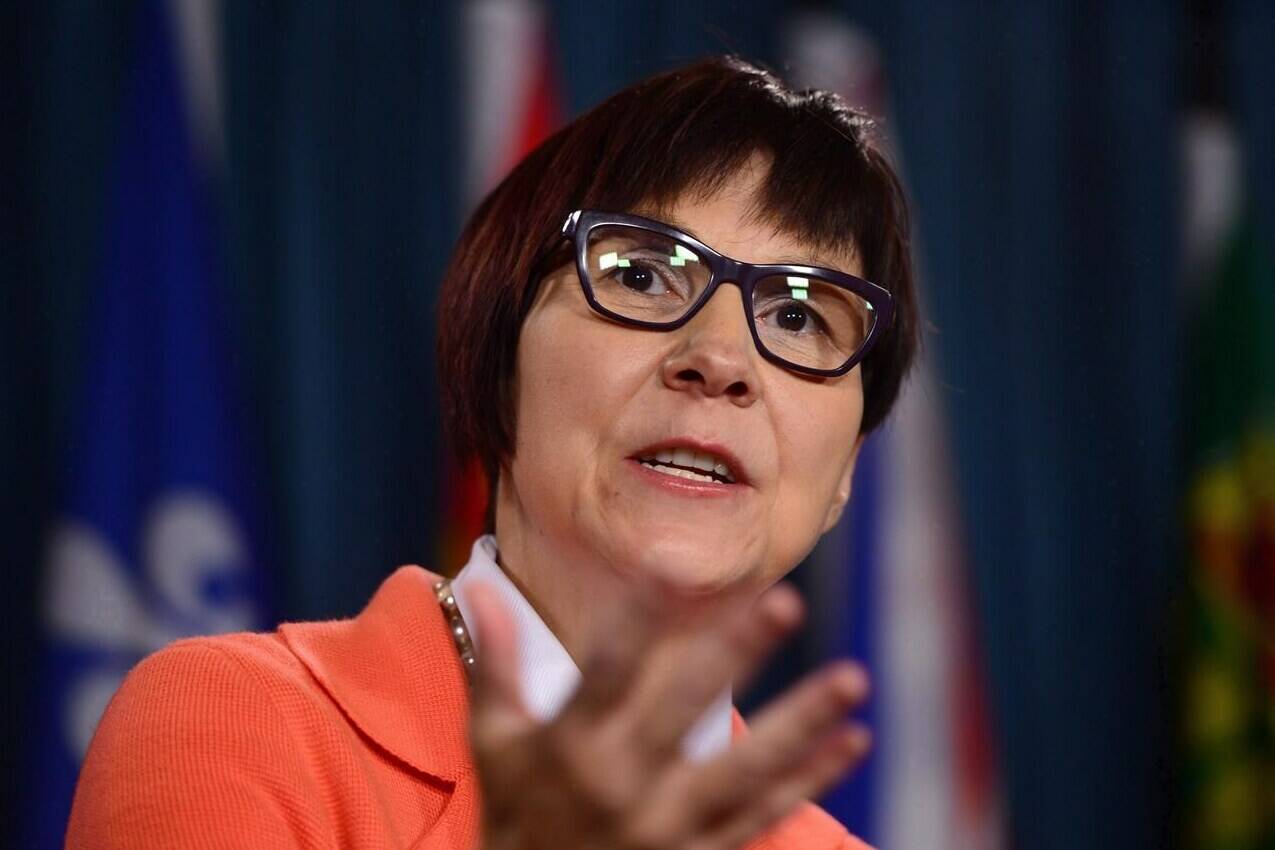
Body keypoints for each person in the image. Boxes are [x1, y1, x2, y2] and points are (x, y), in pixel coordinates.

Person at [66, 55, 918, 849]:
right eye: (641, 275)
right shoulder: (232, 724)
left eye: (801, 317)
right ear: (496, 357)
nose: (722, 359)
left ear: (844, 471)